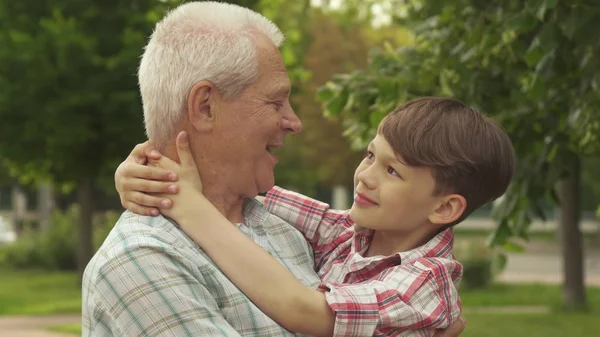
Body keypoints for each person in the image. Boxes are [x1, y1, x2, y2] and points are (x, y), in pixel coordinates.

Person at [82, 1, 467, 336]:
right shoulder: (143, 260)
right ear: (205, 107)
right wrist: (147, 175)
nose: (295, 122)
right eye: (276, 101)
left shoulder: (279, 228)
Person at [117, 98, 514, 335]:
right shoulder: (348, 232)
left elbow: (302, 309)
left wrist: (189, 207)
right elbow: (239, 180)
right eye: (372, 155)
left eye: (393, 172)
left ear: (444, 208)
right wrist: (146, 172)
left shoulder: (425, 286)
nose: (365, 176)